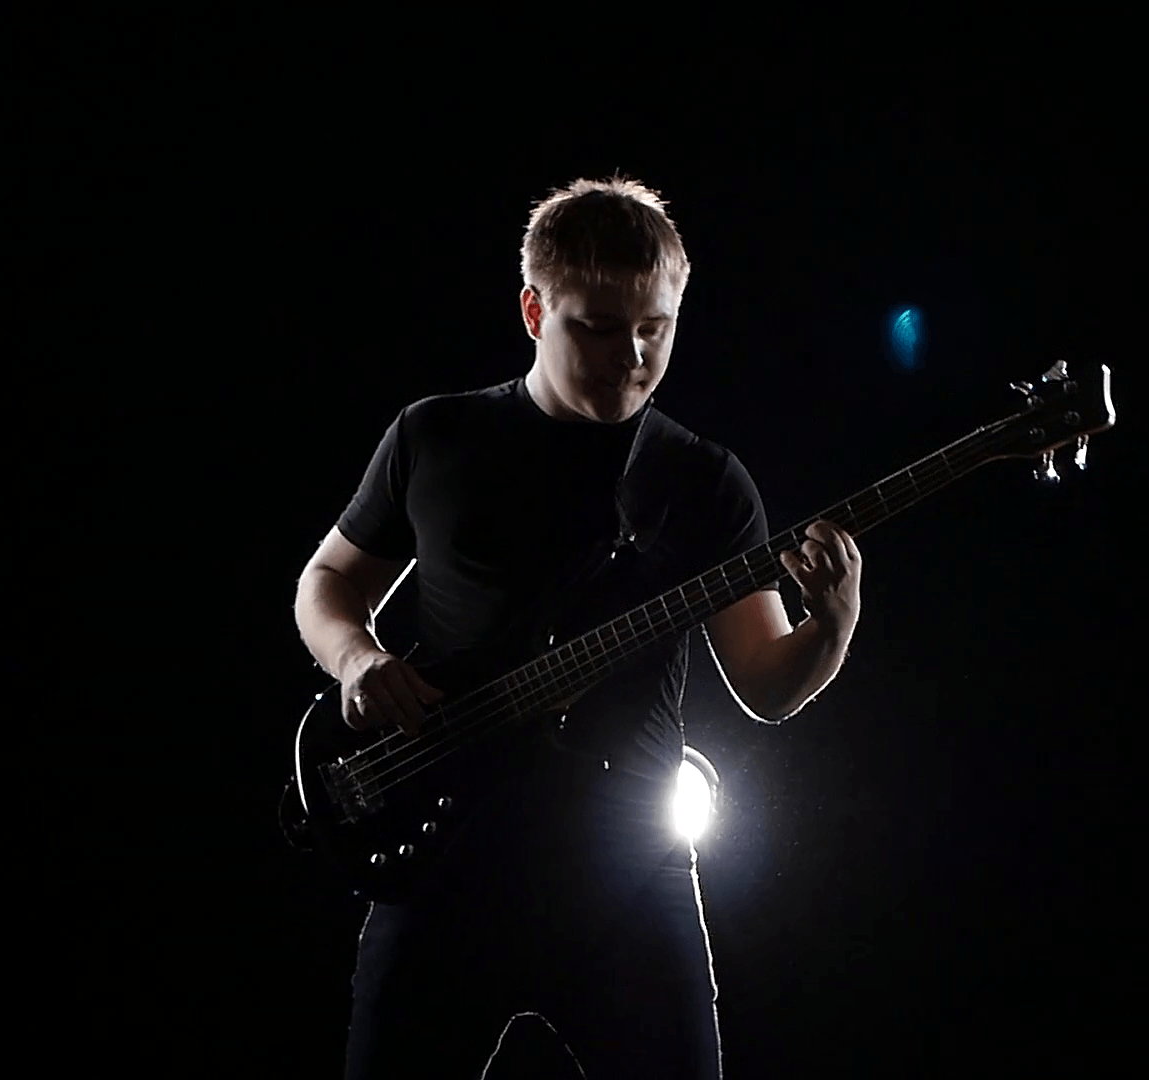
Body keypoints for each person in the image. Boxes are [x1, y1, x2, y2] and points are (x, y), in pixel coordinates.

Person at [292, 175, 862, 1079]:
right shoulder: (435, 436)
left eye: (655, 328)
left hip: (630, 875)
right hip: (439, 866)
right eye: (595, 326)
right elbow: (325, 582)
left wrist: (830, 630)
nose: (629, 355)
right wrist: (356, 659)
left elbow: (764, 685)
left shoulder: (704, 481)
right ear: (533, 309)